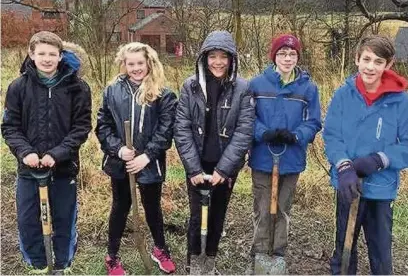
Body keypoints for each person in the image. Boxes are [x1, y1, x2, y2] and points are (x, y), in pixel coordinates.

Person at [1, 31, 92, 274]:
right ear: (32, 54)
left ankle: (62, 263)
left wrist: (58, 153)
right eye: (41, 53)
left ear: (61, 56)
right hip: (29, 169)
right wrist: (25, 152)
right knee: (29, 220)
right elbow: (10, 126)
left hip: (63, 168)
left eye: (53, 54)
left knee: (63, 218)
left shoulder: (78, 88)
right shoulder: (18, 87)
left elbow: (82, 127)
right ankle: (38, 265)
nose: (47, 59)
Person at [323, 35, 408, 275]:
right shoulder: (343, 95)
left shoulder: (400, 101)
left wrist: (379, 160)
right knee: (344, 245)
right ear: (357, 59)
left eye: (378, 61)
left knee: (381, 253)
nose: (371, 66)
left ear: (388, 65)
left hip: (381, 188)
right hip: (348, 184)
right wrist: (343, 166)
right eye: (367, 59)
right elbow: (332, 136)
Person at [174, 30, 255, 275]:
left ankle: (210, 261)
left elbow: (244, 132)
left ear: (231, 59)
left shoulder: (242, 88)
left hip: (224, 167)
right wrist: (193, 168)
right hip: (197, 166)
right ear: (204, 58)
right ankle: (194, 263)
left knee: (218, 215)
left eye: (223, 57)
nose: (218, 62)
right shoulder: (190, 86)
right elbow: (182, 128)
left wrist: (224, 169)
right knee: (197, 216)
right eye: (212, 56)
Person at [95, 42, 177, 275]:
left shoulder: (164, 93)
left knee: (153, 207)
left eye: (140, 63)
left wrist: (147, 156)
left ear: (149, 63)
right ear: (124, 64)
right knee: (120, 207)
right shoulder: (113, 90)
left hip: (150, 164)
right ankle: (112, 256)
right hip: (120, 163)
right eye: (130, 64)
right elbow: (103, 126)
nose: (136, 68)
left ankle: (160, 249)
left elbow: (165, 130)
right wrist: (119, 150)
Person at [248, 34, 322, 273]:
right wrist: (263, 133)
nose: (287, 58)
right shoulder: (257, 84)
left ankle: (278, 251)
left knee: (282, 207)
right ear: (274, 56)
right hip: (263, 156)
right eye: (282, 53)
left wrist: (297, 135)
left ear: (298, 57)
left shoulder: (308, 88)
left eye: (292, 54)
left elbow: (313, 121)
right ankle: (260, 251)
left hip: (291, 158)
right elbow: (247, 117)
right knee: (262, 206)